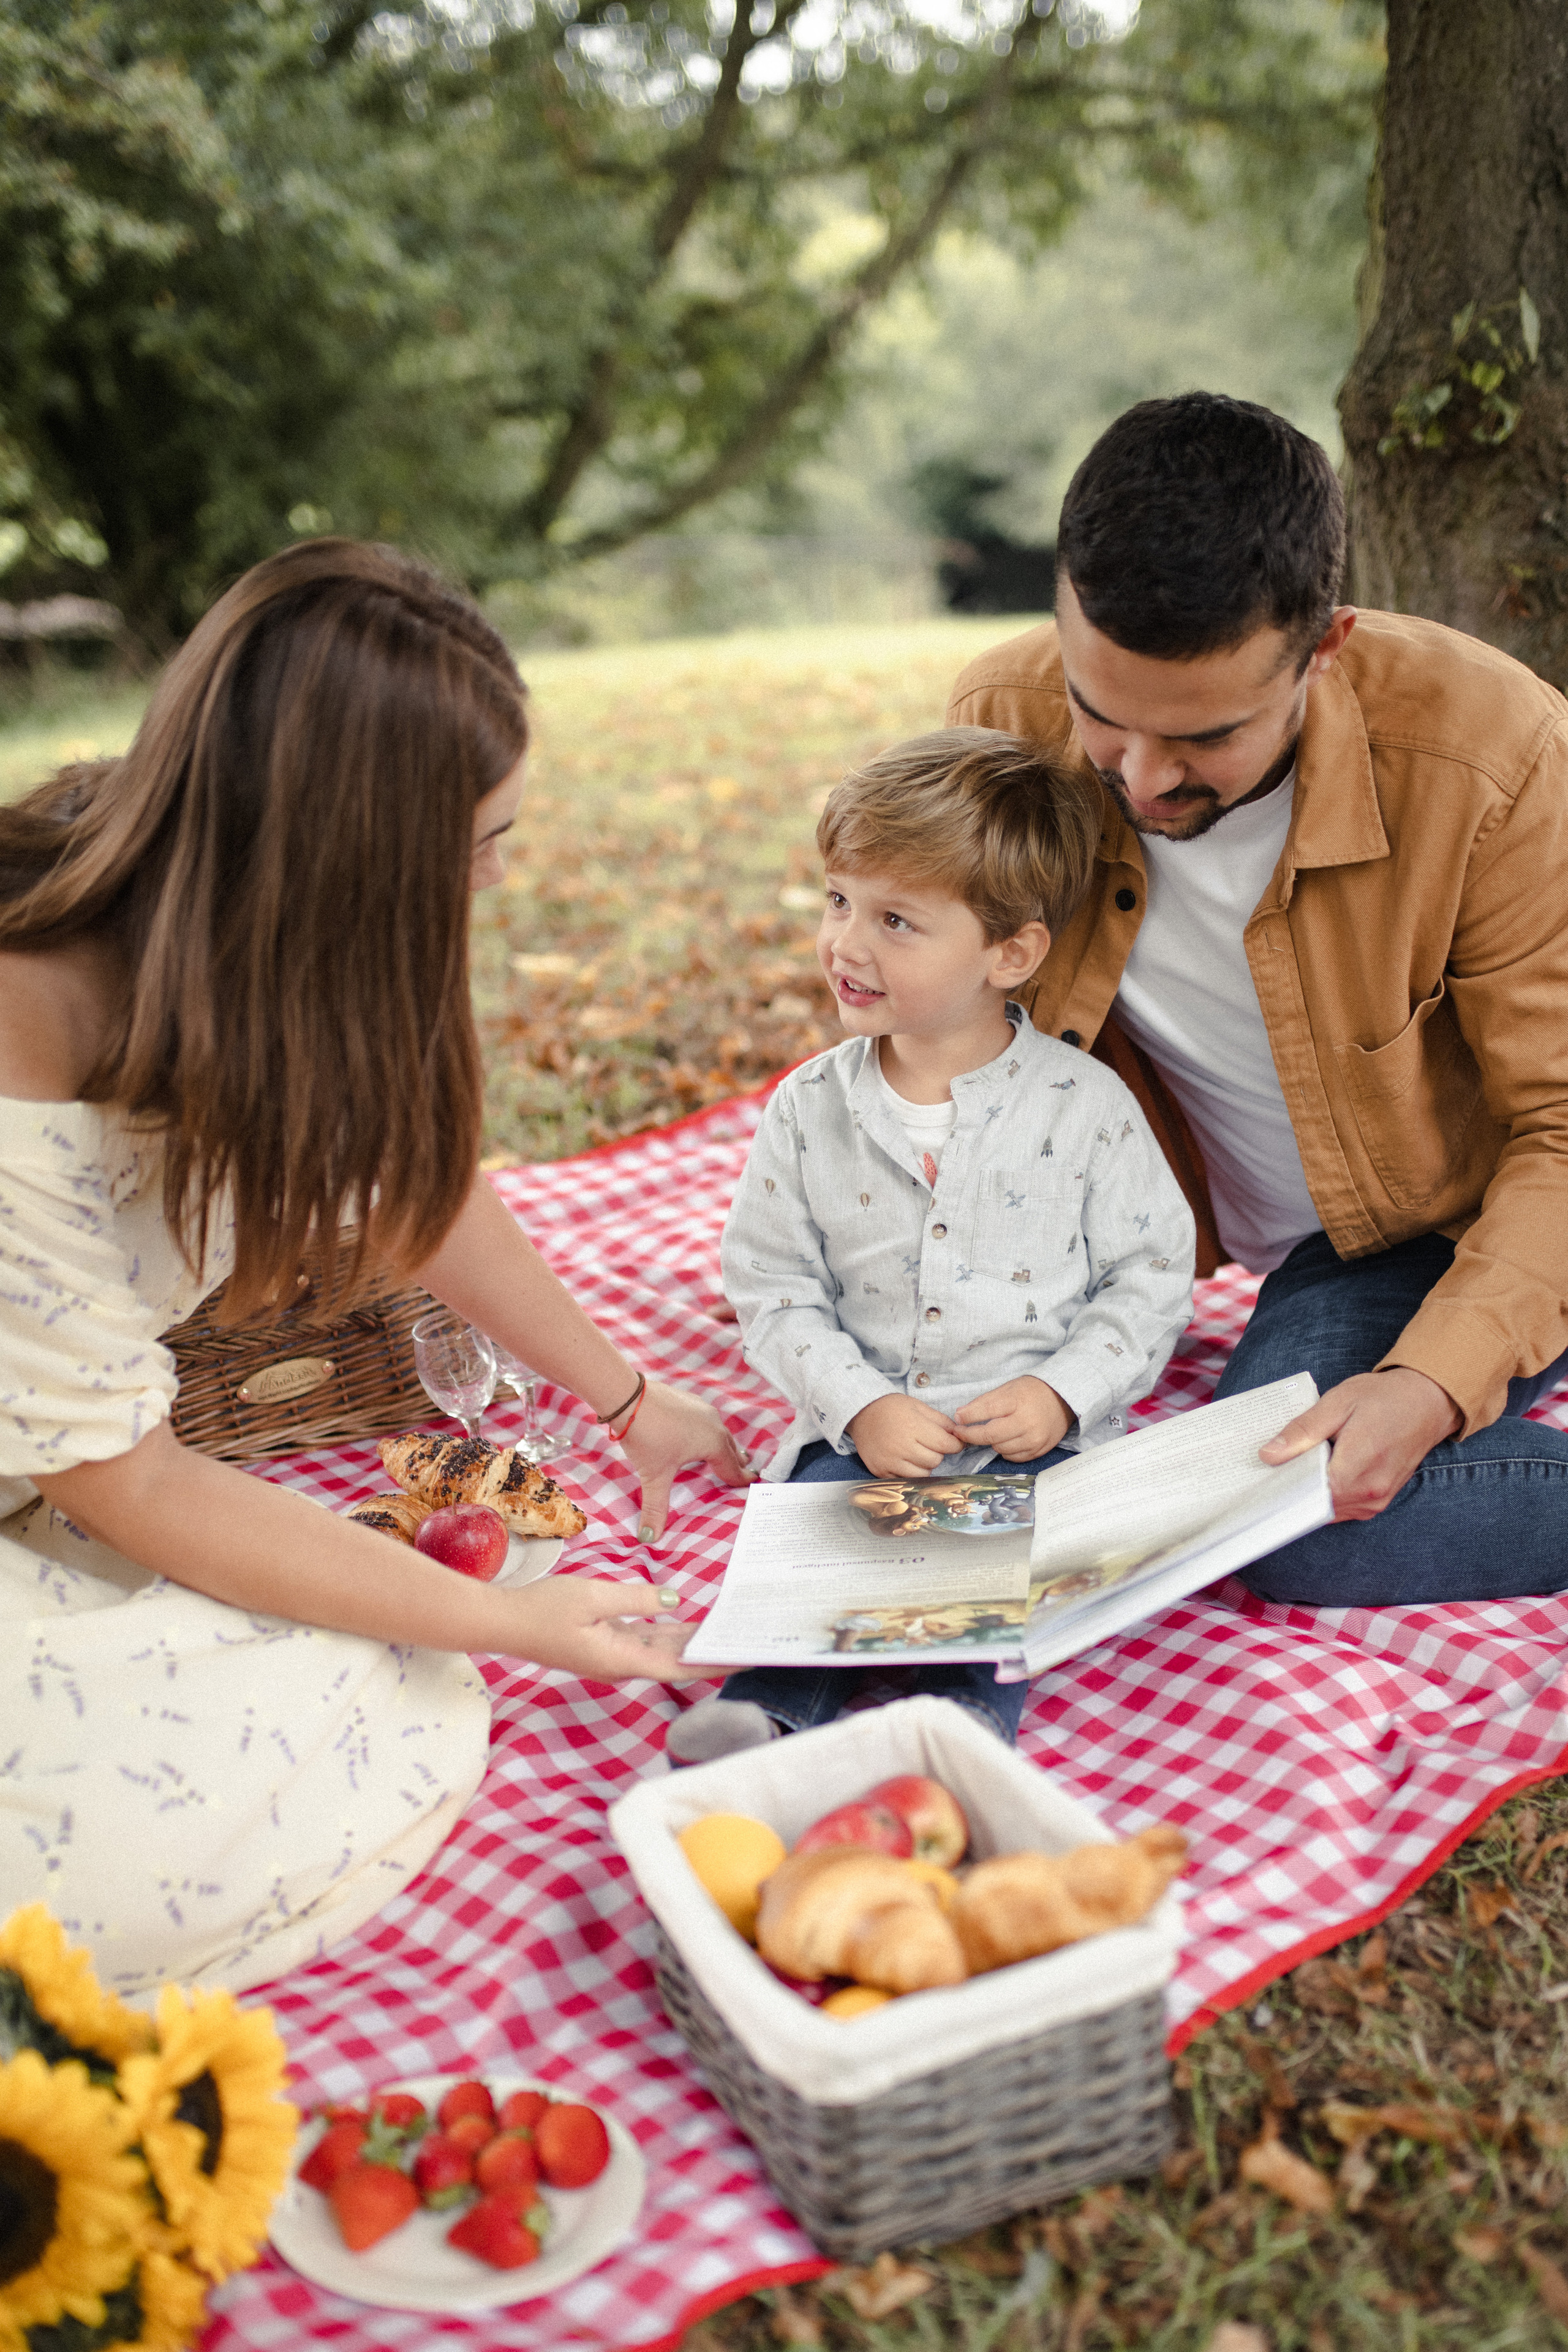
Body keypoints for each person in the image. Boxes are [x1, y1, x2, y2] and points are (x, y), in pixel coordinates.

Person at [0, 538, 748, 1997]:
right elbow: (135, 1485)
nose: (496, 879)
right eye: (480, 845)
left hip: (62, 1478)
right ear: (359, 865)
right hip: (81, 1483)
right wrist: (514, 1623)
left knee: (362, 1670)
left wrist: (626, 1398)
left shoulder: (217, 907)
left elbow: (406, 1179)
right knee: (261, 1775)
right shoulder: (24, 1051)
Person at [947, 390, 1568, 1607]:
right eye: (1100, 716)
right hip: (1258, 1257)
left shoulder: (1492, 755)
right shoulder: (998, 728)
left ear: (1322, 646)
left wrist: (1432, 1383)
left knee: (1297, 1529)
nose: (1136, 775)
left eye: (1202, 739)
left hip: (1452, 1229)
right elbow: (954, 1038)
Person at [669, 728, 1195, 1758]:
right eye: (838, 902)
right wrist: (860, 1405)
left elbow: (1149, 1278)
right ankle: (769, 1714)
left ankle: (955, 1736)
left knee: (1000, 1582)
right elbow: (772, 1285)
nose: (846, 945)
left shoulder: (1086, 1109)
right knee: (822, 1551)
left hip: (1025, 1447)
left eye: (895, 920)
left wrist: (1064, 1393)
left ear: (1012, 953)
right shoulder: (808, 1107)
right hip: (864, 1433)